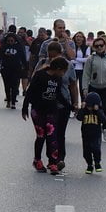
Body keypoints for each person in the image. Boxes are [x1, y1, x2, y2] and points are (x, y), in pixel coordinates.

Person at [22, 56, 72, 175]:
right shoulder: (40, 75)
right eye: (63, 71)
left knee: (52, 137)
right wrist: (25, 107)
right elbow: (30, 91)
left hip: (52, 110)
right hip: (38, 110)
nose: (63, 74)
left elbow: (58, 94)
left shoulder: (58, 79)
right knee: (41, 136)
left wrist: (69, 106)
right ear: (58, 69)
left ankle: (53, 162)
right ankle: (37, 160)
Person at [36, 41, 80, 170]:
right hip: (46, 105)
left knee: (60, 133)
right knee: (48, 133)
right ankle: (50, 158)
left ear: (60, 54)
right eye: (50, 56)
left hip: (63, 104)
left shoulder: (68, 65)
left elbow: (73, 84)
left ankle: (59, 158)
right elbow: (35, 80)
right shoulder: (43, 63)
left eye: (55, 56)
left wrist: (75, 102)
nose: (52, 59)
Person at [82, 36, 106, 141]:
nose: (99, 47)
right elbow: (86, 74)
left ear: (105, 46)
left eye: (101, 45)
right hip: (94, 88)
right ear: (94, 47)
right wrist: (85, 88)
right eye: (97, 46)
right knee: (94, 109)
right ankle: (96, 128)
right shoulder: (91, 59)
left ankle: (105, 128)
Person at [76, 92, 106, 174]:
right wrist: (82, 109)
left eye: (91, 106)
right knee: (86, 151)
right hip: (86, 135)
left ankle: (97, 163)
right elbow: (79, 118)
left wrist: (98, 110)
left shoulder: (99, 111)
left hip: (96, 135)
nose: (89, 108)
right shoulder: (84, 111)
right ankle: (89, 165)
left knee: (96, 149)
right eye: (88, 106)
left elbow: (104, 119)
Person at [0, 32, 28, 109]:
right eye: (8, 41)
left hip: (16, 69)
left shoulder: (19, 47)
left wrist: (26, 67)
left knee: (15, 86)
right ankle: (8, 100)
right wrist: (4, 55)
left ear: (15, 40)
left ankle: (13, 102)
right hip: (5, 69)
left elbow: (23, 58)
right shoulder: (4, 47)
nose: (10, 42)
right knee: (7, 85)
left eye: (12, 41)